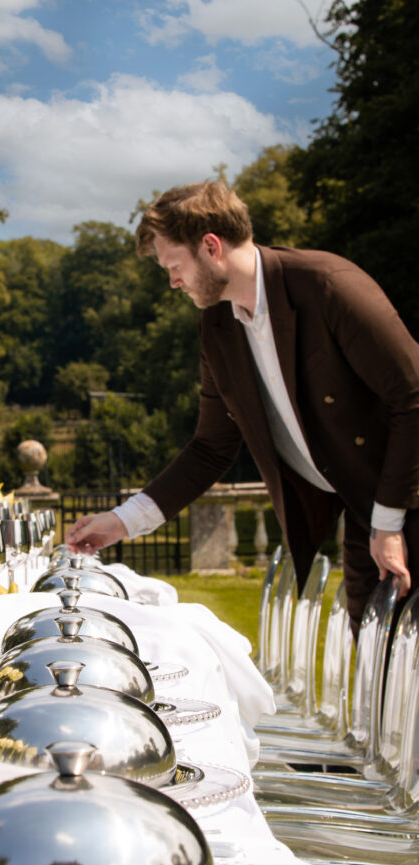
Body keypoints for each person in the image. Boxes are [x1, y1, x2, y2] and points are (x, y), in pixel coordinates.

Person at [65, 180, 419, 632]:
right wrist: (122, 521)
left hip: (404, 497)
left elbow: (412, 397)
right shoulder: (217, 326)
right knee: (378, 678)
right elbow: (211, 446)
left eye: (175, 265)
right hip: (366, 515)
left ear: (212, 247)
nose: (173, 282)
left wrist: (390, 524)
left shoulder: (327, 286)